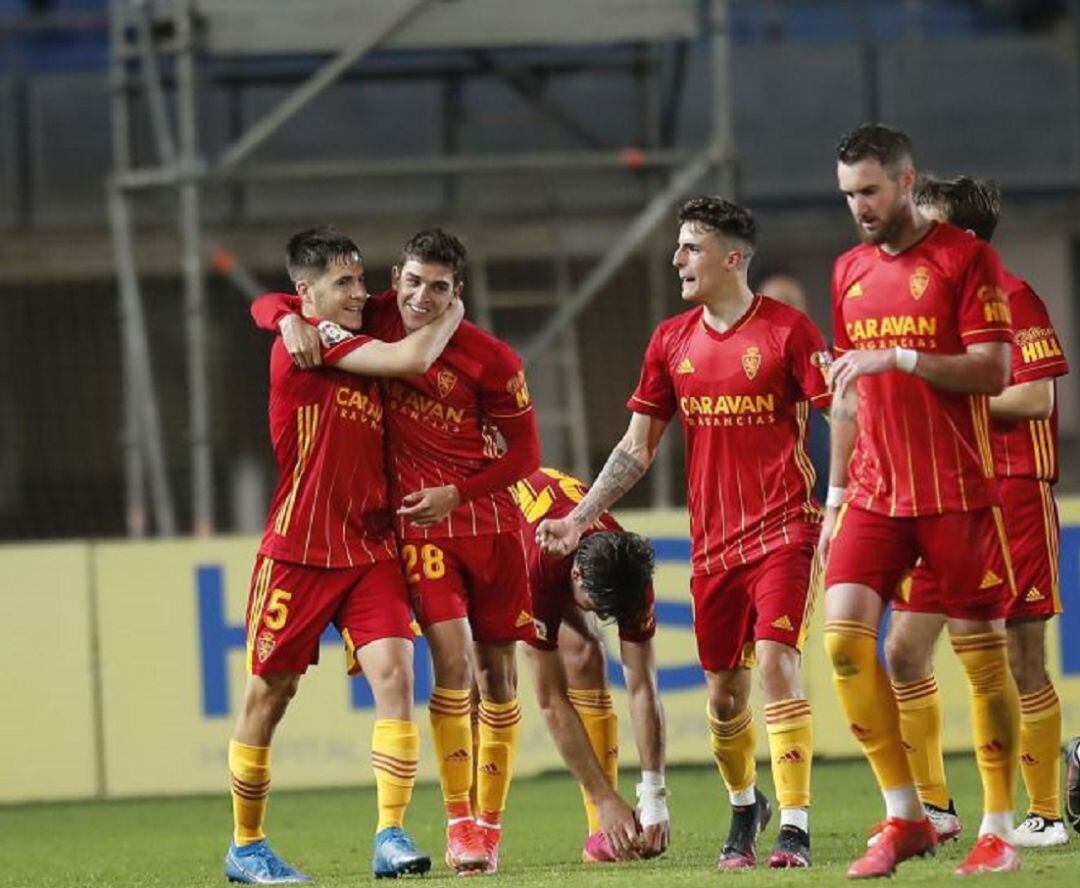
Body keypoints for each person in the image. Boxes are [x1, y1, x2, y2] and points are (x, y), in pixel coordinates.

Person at [537, 196, 833, 870]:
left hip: (786, 528)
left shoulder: (789, 331)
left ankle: (794, 827)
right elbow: (636, 448)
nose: (677, 259)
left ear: (733, 257)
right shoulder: (670, 341)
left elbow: (840, 414)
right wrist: (580, 517)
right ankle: (745, 806)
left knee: (778, 664)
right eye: (678, 247)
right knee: (724, 694)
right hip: (715, 546)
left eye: (691, 247)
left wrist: (844, 502)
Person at [252, 228, 541, 876]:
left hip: (479, 527)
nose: (419, 297)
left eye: (438, 288)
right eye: (411, 282)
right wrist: (282, 318)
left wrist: (459, 493)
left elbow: (526, 454)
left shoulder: (492, 360)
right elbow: (282, 300)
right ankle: (457, 822)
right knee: (449, 663)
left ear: (456, 290)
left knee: (488, 675)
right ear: (396, 279)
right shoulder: (368, 319)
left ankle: (476, 825)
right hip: (403, 533)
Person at [226, 227, 462, 883]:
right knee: (270, 694)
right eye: (344, 284)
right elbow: (412, 356)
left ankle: (391, 833)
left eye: (361, 280)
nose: (361, 293)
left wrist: (278, 310)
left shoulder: (347, 323)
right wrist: (283, 318)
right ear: (308, 293)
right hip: (298, 550)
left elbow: (416, 304)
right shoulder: (309, 341)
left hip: (369, 548)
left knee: (396, 675)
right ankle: (246, 845)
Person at [822, 124, 1020, 878]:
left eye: (870, 191)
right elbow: (850, 392)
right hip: (876, 493)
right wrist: (836, 496)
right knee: (844, 646)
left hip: (955, 491)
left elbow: (993, 372)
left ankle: (998, 830)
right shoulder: (847, 271)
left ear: (907, 182)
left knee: (983, 663)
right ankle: (906, 815)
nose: (860, 207)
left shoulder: (966, 260)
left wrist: (902, 356)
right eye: (849, 195)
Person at [869, 175, 1072, 849]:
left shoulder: (1013, 296)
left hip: (1011, 494)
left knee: (1021, 655)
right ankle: (933, 809)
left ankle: (1044, 812)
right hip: (940, 497)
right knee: (903, 648)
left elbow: (1037, 398)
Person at [512, 466, 665, 862]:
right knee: (487, 677)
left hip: (556, 532)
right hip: (498, 538)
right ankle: (474, 826)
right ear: (577, 575)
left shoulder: (631, 573)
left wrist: (654, 797)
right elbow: (550, 701)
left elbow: (643, 686)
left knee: (585, 652)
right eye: (597, 608)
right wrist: (604, 797)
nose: (604, 617)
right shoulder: (535, 571)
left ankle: (602, 835)